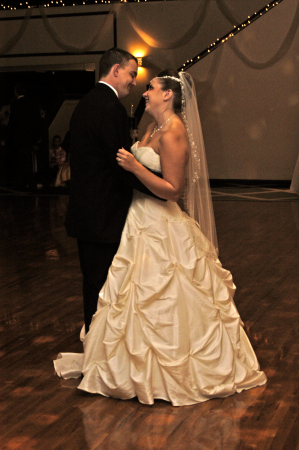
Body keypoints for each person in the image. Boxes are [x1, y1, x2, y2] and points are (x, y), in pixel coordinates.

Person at [55, 69, 267, 406]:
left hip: (160, 225)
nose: (144, 92)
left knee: (165, 297)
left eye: (151, 87)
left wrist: (135, 168)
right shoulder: (150, 127)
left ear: (168, 95)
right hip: (135, 221)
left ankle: (175, 372)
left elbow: (172, 191)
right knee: (128, 298)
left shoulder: (175, 133)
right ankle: (123, 369)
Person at [64, 48, 165, 334]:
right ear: (116, 70)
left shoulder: (85, 103)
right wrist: (162, 191)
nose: (134, 81)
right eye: (132, 74)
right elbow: (121, 165)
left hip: (85, 212)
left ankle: (96, 351)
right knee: (106, 288)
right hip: (104, 216)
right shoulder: (111, 108)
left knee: (93, 285)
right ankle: (101, 358)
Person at [6, 83, 41, 190]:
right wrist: (36, 138)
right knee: (27, 161)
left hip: (19, 137)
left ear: (16, 92)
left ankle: (24, 183)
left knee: (20, 161)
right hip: (29, 137)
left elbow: (12, 123)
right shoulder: (31, 104)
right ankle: (29, 183)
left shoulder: (16, 105)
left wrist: (6, 138)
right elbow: (36, 122)